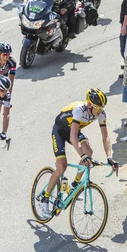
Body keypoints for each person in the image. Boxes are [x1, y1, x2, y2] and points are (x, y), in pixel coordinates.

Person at [38, 89, 117, 217]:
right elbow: (73, 136)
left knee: (89, 152)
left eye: (102, 108)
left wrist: (109, 157)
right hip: (59, 130)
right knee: (62, 166)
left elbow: (105, 137)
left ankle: (74, 185)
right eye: (98, 108)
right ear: (90, 105)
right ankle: (44, 199)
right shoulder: (80, 110)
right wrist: (82, 155)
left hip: (73, 131)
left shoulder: (101, 114)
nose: (100, 111)